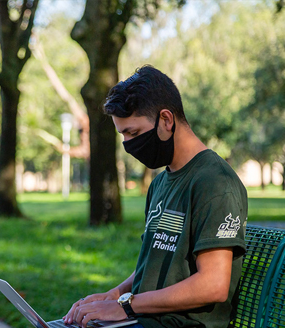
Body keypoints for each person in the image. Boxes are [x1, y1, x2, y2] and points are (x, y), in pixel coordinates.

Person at [63, 66, 248, 328]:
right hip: (144, 319)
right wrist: (113, 296)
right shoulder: (160, 183)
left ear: (166, 120)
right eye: (123, 134)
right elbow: (154, 262)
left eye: (134, 133)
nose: (128, 145)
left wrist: (126, 306)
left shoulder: (215, 182)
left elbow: (213, 285)